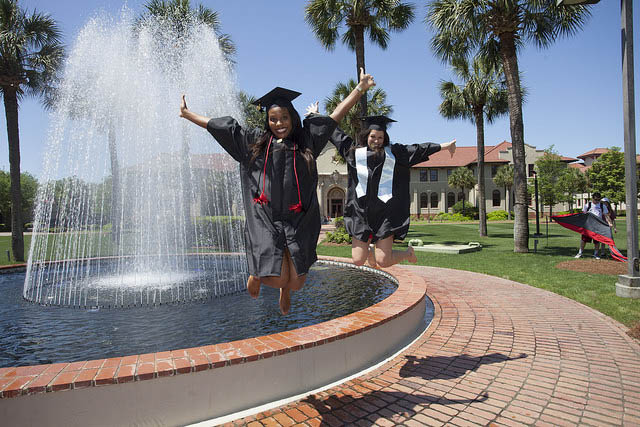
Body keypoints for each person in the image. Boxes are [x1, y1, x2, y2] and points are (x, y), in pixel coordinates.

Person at [180, 69, 375, 315]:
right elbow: (222, 128)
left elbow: (335, 117)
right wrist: (188, 115)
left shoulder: (306, 141)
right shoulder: (255, 144)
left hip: (299, 219)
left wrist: (359, 89)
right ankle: (258, 274)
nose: (279, 123)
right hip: (266, 219)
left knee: (297, 283)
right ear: (267, 120)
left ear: (292, 118)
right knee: (279, 278)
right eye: (273, 119)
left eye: (283, 117)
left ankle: (284, 290)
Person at [306, 105, 455, 268]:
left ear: (385, 138)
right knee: (357, 260)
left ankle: (407, 253)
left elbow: (418, 149)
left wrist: (445, 145)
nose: (376, 141)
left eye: (380, 137)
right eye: (373, 136)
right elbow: (335, 134)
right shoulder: (354, 152)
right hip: (360, 213)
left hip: (385, 215)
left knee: (383, 262)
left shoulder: (394, 154)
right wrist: (316, 115)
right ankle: (369, 249)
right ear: (366, 136)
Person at [575, 192, 613, 259]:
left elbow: (606, 215)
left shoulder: (602, 206)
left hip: (597, 225)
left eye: (598, 200)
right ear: (592, 198)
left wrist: (609, 222)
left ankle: (596, 254)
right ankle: (580, 253)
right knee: (583, 240)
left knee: (597, 240)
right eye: (595, 199)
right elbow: (584, 214)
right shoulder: (588, 205)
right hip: (588, 225)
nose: (596, 201)